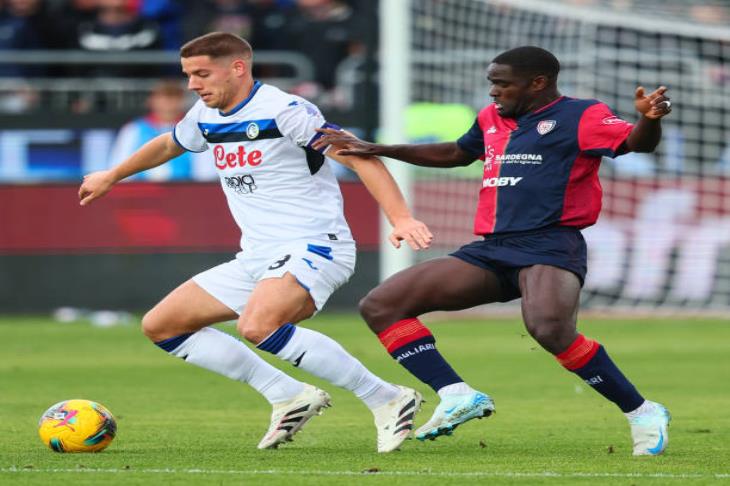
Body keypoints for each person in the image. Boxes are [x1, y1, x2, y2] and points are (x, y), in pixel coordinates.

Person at [78, 32, 433, 453]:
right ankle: (287, 394)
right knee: (163, 326)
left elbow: (359, 156)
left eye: (202, 74)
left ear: (238, 68)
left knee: (257, 325)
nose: (193, 84)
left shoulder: (287, 110)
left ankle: (386, 396)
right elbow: (170, 143)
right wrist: (112, 175)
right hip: (258, 255)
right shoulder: (206, 113)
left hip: (315, 244)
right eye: (188, 75)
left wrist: (401, 217)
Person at [314, 46, 673, 456]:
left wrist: (649, 119)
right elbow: (456, 153)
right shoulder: (492, 119)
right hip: (493, 248)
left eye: (502, 83)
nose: (493, 91)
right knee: (381, 305)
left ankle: (642, 412)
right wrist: (378, 149)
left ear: (538, 82)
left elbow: (634, 144)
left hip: (550, 242)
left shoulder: (582, 115)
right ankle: (456, 394)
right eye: (491, 83)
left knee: (550, 330)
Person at [108, 80, 201, 180]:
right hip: (142, 191)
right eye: (163, 97)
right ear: (151, 100)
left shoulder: (194, 130)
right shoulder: (133, 129)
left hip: (184, 191)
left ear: (182, 101)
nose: (168, 103)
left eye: (174, 98)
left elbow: (204, 172)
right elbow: (118, 168)